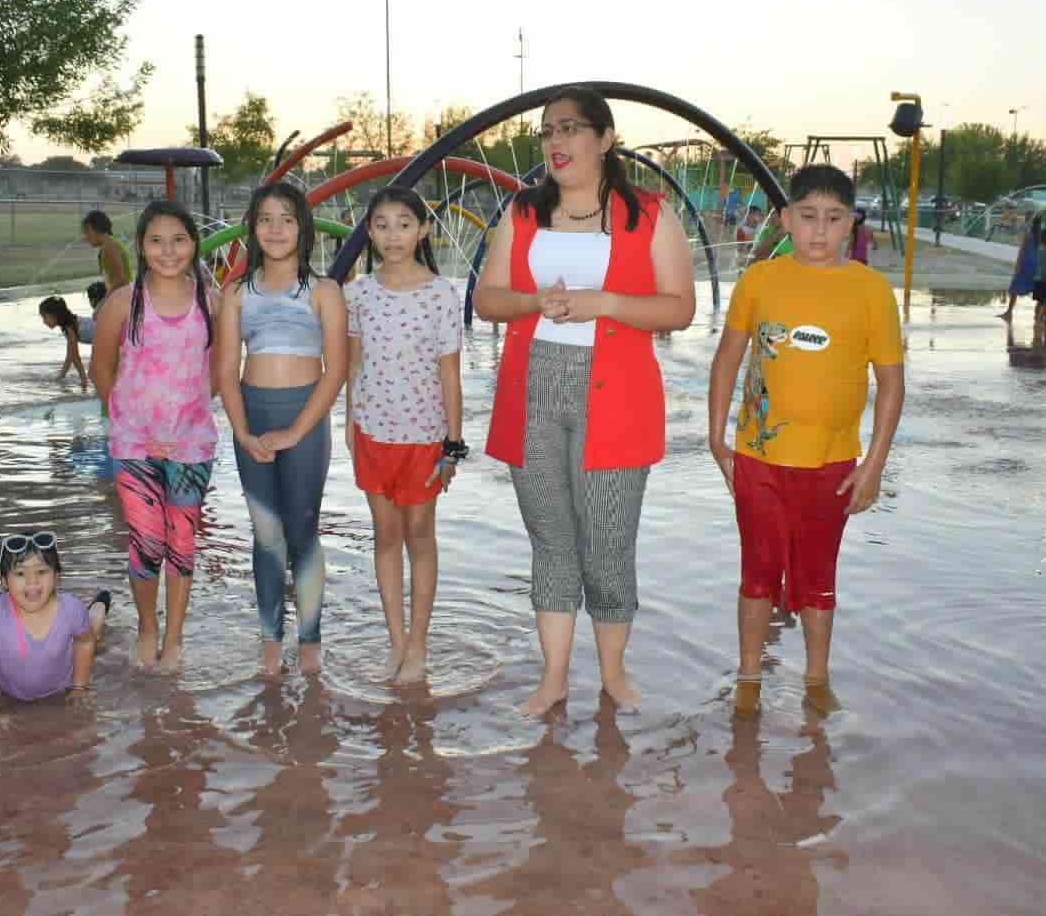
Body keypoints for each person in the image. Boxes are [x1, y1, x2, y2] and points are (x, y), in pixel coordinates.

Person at [474, 85, 696, 716]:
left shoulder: (649, 213)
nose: (556, 142)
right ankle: (553, 680)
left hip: (616, 398)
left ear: (604, 139)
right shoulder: (522, 213)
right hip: (532, 389)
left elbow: (680, 308)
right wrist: (531, 303)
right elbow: (487, 299)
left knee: (606, 542)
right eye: (548, 131)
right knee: (550, 540)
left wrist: (602, 305)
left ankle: (614, 676)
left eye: (571, 129)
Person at [707, 165, 904, 718]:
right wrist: (716, 435)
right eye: (809, 217)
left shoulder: (870, 291)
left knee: (819, 578)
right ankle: (749, 679)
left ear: (851, 224)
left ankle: (817, 681)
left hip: (831, 464)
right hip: (759, 456)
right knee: (757, 574)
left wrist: (874, 465)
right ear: (787, 218)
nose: (820, 231)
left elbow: (891, 382)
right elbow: (728, 357)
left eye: (834, 219)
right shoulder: (761, 281)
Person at [217, 183, 346, 678]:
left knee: (303, 531)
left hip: (305, 419)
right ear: (252, 227)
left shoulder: (323, 291)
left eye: (286, 219)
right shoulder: (236, 294)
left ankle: (309, 637)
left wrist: (295, 431)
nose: (274, 229)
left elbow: (335, 371)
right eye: (265, 219)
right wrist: (244, 431)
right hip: (253, 416)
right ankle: (271, 639)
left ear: (303, 229)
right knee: (265, 534)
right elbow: (228, 372)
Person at [90, 201, 221, 673]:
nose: (168, 251)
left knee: (182, 541)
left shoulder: (212, 301)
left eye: (179, 239)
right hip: (136, 447)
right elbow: (101, 368)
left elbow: (223, 373)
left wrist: (183, 422)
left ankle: (175, 636)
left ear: (193, 243)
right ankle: (148, 626)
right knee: (146, 542)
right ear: (142, 246)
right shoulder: (125, 302)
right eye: (156, 241)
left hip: (191, 445)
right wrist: (131, 422)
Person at [344, 187, 464, 684]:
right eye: (382, 224)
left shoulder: (441, 294)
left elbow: (450, 375)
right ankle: (395, 642)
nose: (393, 234)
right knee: (385, 537)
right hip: (373, 432)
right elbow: (352, 364)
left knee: (420, 537)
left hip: (424, 438)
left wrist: (453, 444)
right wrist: (349, 425)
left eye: (404, 223)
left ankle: (419, 645)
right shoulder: (358, 293)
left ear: (423, 230)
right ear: (369, 232)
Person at [0, 531, 112, 733]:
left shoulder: (71, 609)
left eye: (41, 572)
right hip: (7, 691)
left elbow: (84, 643)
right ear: (4, 581)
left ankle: (99, 607)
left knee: (94, 637)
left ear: (57, 577)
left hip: (59, 687)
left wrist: (79, 687)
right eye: (20, 573)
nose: (32, 582)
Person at [38, 296, 91, 390]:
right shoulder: (69, 325)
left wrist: (83, 381)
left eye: (44, 317)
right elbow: (70, 356)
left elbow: (75, 357)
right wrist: (61, 376)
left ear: (54, 315)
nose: (44, 321)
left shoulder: (69, 327)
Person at [999, 213, 1042, 319]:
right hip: (1037, 264)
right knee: (1038, 289)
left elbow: (1022, 250)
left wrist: (1017, 265)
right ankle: (1038, 315)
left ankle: (1009, 312)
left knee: (1014, 288)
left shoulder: (1027, 234)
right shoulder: (1040, 235)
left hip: (1026, 263)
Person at [81, 210, 132, 296]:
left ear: (91, 229)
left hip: (124, 300)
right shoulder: (107, 246)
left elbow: (121, 281)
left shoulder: (109, 247)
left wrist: (104, 303)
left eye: (86, 232)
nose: (85, 238)